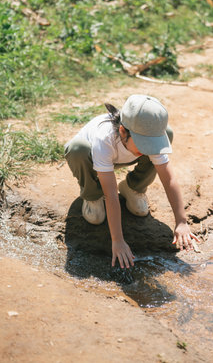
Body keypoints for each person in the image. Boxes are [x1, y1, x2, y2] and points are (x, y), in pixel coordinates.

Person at [65, 94, 200, 269]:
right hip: (91, 159)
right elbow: (111, 195)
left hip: (124, 155)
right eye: (144, 144)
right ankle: (92, 195)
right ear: (123, 131)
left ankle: (133, 187)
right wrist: (118, 241)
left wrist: (181, 221)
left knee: (166, 138)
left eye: (151, 144)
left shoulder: (148, 132)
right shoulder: (103, 139)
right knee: (96, 217)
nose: (148, 149)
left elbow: (169, 178)